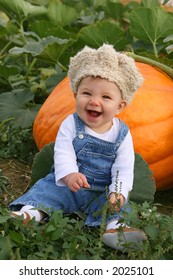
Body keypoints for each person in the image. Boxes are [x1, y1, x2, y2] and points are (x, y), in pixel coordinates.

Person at [9, 44, 147, 250]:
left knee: (118, 208)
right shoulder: (71, 123)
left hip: (102, 190)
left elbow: (123, 168)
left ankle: (115, 228)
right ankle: (31, 214)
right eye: (87, 93)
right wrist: (70, 174)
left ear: (120, 106)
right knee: (48, 192)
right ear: (75, 95)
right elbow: (63, 152)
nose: (94, 101)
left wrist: (118, 192)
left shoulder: (122, 134)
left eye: (106, 97)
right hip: (69, 185)